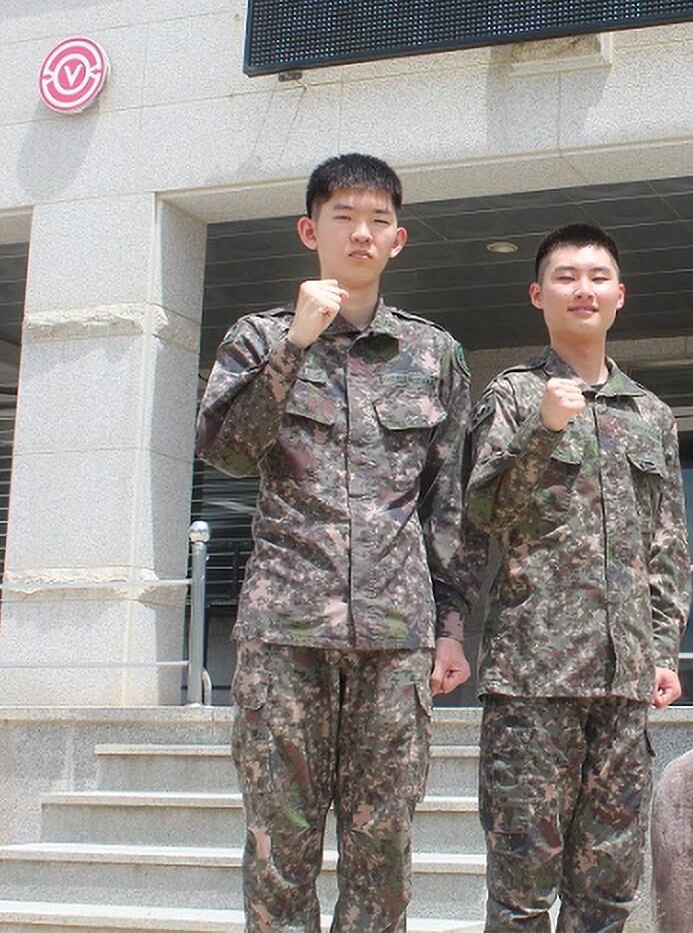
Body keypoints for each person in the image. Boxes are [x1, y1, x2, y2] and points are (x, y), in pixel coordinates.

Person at [197, 153, 472, 933]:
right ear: (309, 230)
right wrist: (295, 344)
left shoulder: (431, 353)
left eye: (378, 220)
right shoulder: (258, 339)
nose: (361, 232)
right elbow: (227, 453)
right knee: (280, 847)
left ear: (398, 239)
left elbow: (444, 503)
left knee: (380, 848)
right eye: (345, 217)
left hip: (395, 639)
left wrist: (450, 631)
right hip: (286, 635)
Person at [436, 223, 691, 933]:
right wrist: (544, 431)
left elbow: (666, 544)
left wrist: (664, 648)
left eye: (597, 276)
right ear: (537, 294)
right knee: (521, 896)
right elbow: (480, 514)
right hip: (532, 684)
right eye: (566, 276)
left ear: (619, 295)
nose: (583, 289)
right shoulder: (513, 398)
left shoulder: (651, 415)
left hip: (621, 684)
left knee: (608, 892)